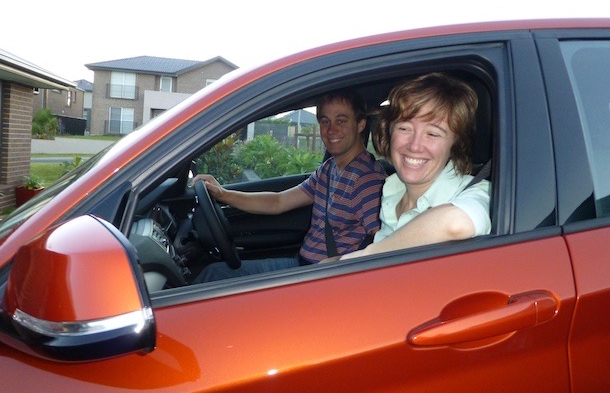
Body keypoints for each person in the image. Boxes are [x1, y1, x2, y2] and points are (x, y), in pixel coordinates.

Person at [194, 90, 386, 281]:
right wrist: (223, 194)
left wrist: (340, 262)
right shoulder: (329, 169)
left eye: (341, 121)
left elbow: (386, 243)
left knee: (212, 278)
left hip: (323, 281)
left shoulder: (367, 181)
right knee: (213, 273)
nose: (331, 129)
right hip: (302, 267)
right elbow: (279, 201)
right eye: (325, 121)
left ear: (361, 124)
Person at [339, 72, 491, 260]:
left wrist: (364, 256)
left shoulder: (477, 191)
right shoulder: (392, 189)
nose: (414, 146)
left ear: (454, 143)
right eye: (404, 128)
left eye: (433, 134)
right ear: (389, 131)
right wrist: (334, 262)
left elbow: (457, 223)